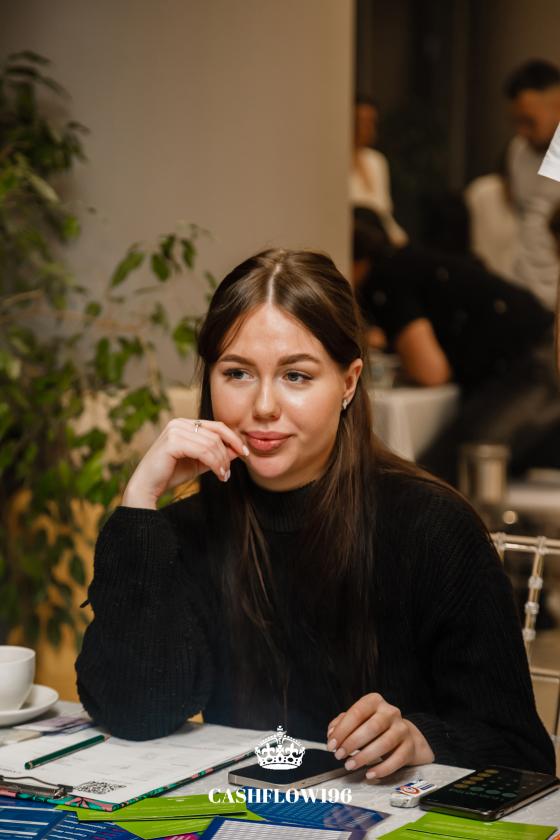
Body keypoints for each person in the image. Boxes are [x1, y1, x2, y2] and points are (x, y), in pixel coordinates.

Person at [76, 249, 554, 776]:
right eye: (237, 373)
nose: (263, 406)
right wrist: (139, 504)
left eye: (296, 376)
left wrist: (423, 739)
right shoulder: (190, 530)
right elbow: (135, 712)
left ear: (348, 382)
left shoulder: (432, 526)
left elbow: (520, 752)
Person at [353, 207, 560, 483]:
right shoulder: (409, 261)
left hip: (531, 361)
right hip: (534, 346)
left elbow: (432, 371)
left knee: (450, 469)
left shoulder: (386, 278)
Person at [504, 59, 560, 310]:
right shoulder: (518, 150)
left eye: (529, 121)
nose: (522, 131)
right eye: (517, 122)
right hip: (523, 284)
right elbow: (524, 219)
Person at [350, 96, 408, 246]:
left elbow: (385, 211)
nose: (368, 128)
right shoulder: (336, 162)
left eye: (372, 122)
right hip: (359, 239)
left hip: (386, 238)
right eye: (362, 122)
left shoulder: (376, 160)